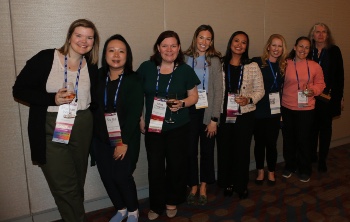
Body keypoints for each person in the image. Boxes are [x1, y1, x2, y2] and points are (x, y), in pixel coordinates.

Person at [12, 19, 100, 221]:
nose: (84, 41)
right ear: (69, 36)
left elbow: (94, 99)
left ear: (94, 41)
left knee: (77, 180)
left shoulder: (92, 66)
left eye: (89, 37)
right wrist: (52, 98)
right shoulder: (46, 58)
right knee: (64, 184)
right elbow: (19, 90)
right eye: (79, 35)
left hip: (82, 124)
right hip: (51, 125)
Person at [138, 30, 200, 220]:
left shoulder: (185, 70)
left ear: (179, 48)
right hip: (153, 128)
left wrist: (182, 103)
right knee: (155, 167)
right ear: (158, 47)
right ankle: (156, 205)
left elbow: (194, 96)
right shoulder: (146, 68)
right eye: (164, 45)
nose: (169, 49)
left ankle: (172, 201)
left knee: (176, 166)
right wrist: (140, 118)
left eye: (173, 45)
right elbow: (138, 95)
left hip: (178, 127)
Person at [92, 34, 143, 222]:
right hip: (100, 138)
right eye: (111, 50)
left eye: (121, 51)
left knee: (121, 176)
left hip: (124, 138)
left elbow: (134, 115)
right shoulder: (97, 76)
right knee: (107, 176)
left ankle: (133, 210)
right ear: (105, 54)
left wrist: (124, 142)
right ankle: (120, 209)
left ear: (127, 55)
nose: (116, 54)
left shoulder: (134, 79)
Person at [217, 31, 264, 199]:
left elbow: (260, 90)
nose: (239, 44)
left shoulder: (252, 66)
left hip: (245, 115)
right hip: (224, 114)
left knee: (242, 151)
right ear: (231, 43)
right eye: (236, 41)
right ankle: (228, 183)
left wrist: (249, 99)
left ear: (246, 47)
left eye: (244, 42)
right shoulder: (220, 64)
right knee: (225, 150)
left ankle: (241, 184)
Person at [183, 25, 223, 205]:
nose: (204, 42)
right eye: (201, 37)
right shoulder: (184, 58)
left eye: (208, 39)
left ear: (211, 41)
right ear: (195, 38)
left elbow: (218, 91)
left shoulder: (214, 61)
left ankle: (204, 185)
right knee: (190, 150)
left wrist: (215, 119)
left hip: (207, 108)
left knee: (207, 150)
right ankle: (192, 184)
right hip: (189, 109)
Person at [281, 36, 325, 183]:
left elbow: (321, 84)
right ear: (294, 47)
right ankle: (290, 166)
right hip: (287, 107)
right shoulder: (285, 64)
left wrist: (313, 90)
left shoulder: (315, 66)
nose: (303, 50)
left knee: (304, 140)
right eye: (301, 46)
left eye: (307, 47)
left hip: (306, 108)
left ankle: (305, 169)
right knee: (289, 139)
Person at [308, 23, 344, 172]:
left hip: (327, 97)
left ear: (327, 35)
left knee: (325, 129)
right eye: (317, 32)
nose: (321, 34)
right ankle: (312, 155)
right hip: (310, 96)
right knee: (311, 128)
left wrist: (340, 97)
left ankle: (322, 159)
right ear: (313, 35)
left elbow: (339, 76)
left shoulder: (334, 51)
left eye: (324, 32)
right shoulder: (307, 50)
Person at [252, 34, 287, 186]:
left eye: (280, 46)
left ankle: (271, 171)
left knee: (271, 143)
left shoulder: (284, 66)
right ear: (268, 46)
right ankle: (260, 170)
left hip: (274, 110)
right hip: (258, 109)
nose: (276, 49)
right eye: (274, 45)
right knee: (259, 142)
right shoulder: (257, 62)